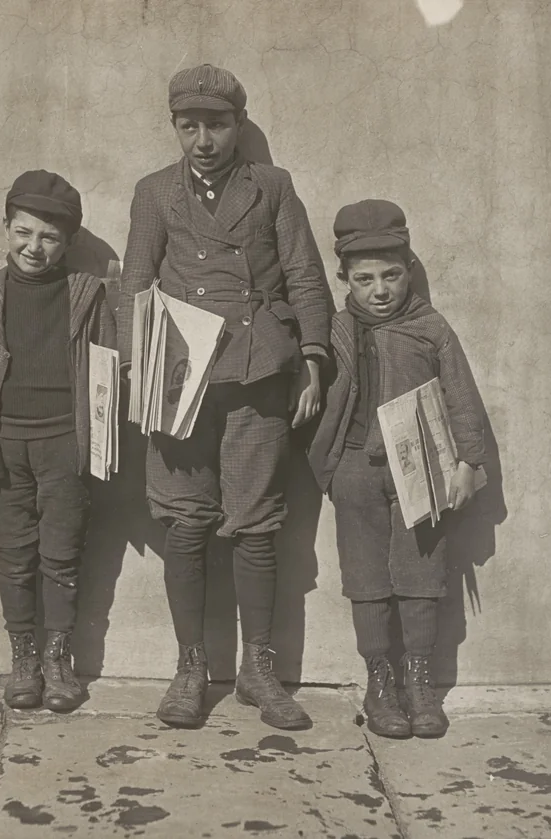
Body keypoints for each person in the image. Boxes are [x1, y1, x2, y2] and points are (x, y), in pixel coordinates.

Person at [119, 64, 333, 730]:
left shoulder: (272, 188)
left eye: (216, 125)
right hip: (182, 380)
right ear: (175, 127)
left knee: (256, 521)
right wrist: (136, 368)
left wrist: (314, 361)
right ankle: (190, 667)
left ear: (238, 124)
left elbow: (305, 276)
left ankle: (257, 669)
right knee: (186, 520)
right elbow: (135, 284)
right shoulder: (155, 193)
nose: (204, 140)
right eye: (191, 126)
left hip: (258, 373)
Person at [307, 199, 486, 738]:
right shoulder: (334, 332)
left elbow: (461, 397)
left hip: (422, 469)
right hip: (356, 470)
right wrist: (330, 463)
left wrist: (468, 461)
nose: (380, 290)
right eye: (364, 279)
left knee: (420, 576)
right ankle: (379, 683)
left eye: (391, 276)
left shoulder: (430, 328)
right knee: (365, 577)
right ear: (345, 279)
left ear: (408, 271)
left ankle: (420, 681)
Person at [0, 170, 116, 712]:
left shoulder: (88, 296)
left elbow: (111, 373)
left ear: (67, 243)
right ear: (6, 229)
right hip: (4, 448)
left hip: (65, 443)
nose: (33, 247)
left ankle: (57, 660)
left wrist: (102, 445)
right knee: (15, 555)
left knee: (61, 557)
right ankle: (23, 660)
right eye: (23, 233)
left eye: (48, 237)